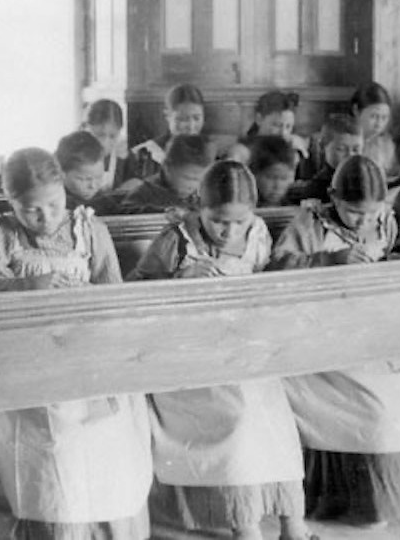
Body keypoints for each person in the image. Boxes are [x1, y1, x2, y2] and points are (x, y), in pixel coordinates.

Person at [0, 148, 153, 539]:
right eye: (31, 210)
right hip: (26, 363)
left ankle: (103, 526)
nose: (45, 217)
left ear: (65, 192)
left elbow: (113, 292)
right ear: (12, 203)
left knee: (107, 434)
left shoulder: (89, 230)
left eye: (54, 204)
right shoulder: (2, 234)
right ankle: (56, 526)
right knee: (54, 443)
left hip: (86, 354)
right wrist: (26, 285)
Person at [130, 160, 316, 540]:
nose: (228, 230)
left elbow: (265, 281)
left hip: (244, 348)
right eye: (218, 221)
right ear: (200, 206)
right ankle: (244, 524)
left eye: (238, 222)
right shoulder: (176, 240)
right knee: (240, 416)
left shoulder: (258, 233)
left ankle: (292, 524)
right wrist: (178, 280)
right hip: (190, 358)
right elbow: (135, 291)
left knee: (276, 415)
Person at [273, 155, 400, 529]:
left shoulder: (384, 220)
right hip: (320, 334)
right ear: (333, 198)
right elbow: (275, 268)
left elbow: (395, 255)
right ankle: (361, 503)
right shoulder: (309, 222)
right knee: (375, 407)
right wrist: (330, 259)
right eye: (355, 213)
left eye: (371, 214)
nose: (365, 222)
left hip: (371, 327)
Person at [129, 84, 206, 188]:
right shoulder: (147, 153)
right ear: (167, 115)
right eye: (182, 119)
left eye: (196, 118)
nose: (191, 126)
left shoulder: (210, 153)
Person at [118, 135, 215, 215]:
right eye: (188, 178)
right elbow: (123, 214)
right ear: (167, 168)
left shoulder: (198, 198)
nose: (192, 185)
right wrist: (161, 213)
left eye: (199, 180)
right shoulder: (145, 192)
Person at [287, 114, 362, 204]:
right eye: (341, 149)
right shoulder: (316, 189)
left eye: (356, 149)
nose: (350, 155)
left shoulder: (365, 180)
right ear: (322, 146)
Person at [228, 91, 309, 165]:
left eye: (288, 127)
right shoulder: (241, 153)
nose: (283, 133)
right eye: (276, 125)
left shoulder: (296, 147)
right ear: (259, 119)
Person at [54, 130, 117, 214]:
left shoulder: (107, 204)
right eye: (84, 179)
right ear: (61, 173)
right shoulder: (56, 205)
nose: (93, 186)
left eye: (99, 177)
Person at [350, 82, 397, 180]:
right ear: (356, 110)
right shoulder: (342, 139)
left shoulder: (387, 144)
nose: (379, 124)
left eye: (384, 118)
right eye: (374, 116)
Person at [248, 136, 297, 207]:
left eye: (284, 178)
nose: (277, 186)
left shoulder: (297, 204)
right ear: (255, 174)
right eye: (270, 177)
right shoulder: (244, 208)